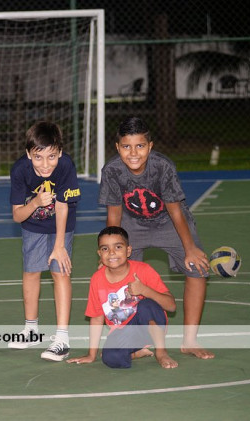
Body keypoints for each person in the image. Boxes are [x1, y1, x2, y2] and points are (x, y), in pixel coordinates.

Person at [98, 115, 214, 360]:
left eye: (140, 146)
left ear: (150, 146)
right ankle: (137, 341)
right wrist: (111, 251)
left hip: (168, 222)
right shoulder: (112, 170)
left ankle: (189, 341)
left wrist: (190, 248)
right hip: (132, 224)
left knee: (198, 268)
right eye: (126, 146)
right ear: (117, 147)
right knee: (121, 275)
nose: (133, 153)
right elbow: (114, 214)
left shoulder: (163, 166)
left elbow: (175, 211)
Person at [8, 121, 81, 361]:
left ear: (59, 152)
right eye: (38, 157)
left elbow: (62, 206)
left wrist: (59, 245)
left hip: (62, 224)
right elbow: (17, 215)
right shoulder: (20, 170)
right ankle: (31, 330)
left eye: (51, 156)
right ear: (29, 154)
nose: (46, 164)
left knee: (60, 272)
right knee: (31, 272)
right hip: (32, 225)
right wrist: (36, 202)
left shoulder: (66, 165)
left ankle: (62, 338)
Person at [67, 226, 178, 369]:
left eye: (118, 247)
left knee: (146, 305)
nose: (112, 252)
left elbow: (171, 306)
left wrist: (144, 290)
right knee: (110, 358)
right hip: (124, 331)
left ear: (128, 251)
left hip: (150, 326)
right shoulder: (97, 279)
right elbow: (96, 318)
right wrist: (91, 355)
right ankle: (136, 352)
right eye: (105, 249)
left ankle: (161, 352)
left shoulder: (143, 270)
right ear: (99, 253)